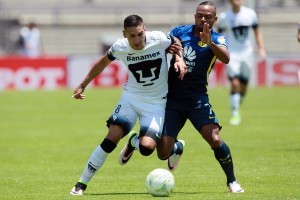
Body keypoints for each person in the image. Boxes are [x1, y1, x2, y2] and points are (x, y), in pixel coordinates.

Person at [69, 14, 187, 195]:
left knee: (147, 148)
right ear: (124, 34)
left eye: (140, 34)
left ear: (144, 29)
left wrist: (179, 59)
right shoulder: (120, 47)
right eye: (132, 36)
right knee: (110, 139)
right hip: (131, 98)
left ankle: (134, 141)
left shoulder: (159, 39)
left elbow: (176, 41)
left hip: (156, 103)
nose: (137, 40)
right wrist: (83, 84)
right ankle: (81, 183)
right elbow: (102, 63)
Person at [157, 1, 244, 193]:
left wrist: (209, 42)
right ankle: (176, 148)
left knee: (214, 139)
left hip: (197, 98)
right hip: (172, 99)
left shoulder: (217, 38)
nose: (202, 19)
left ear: (215, 19)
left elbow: (226, 58)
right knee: (163, 153)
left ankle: (232, 181)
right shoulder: (180, 31)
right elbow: (163, 46)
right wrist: (172, 53)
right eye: (199, 15)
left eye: (207, 16)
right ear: (195, 15)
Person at [217, 0, 267, 125]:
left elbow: (257, 31)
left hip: (247, 54)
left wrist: (261, 48)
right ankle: (235, 113)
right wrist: (219, 50)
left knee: (243, 86)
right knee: (234, 83)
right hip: (232, 54)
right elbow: (219, 35)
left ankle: (237, 103)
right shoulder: (224, 17)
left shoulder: (250, 14)